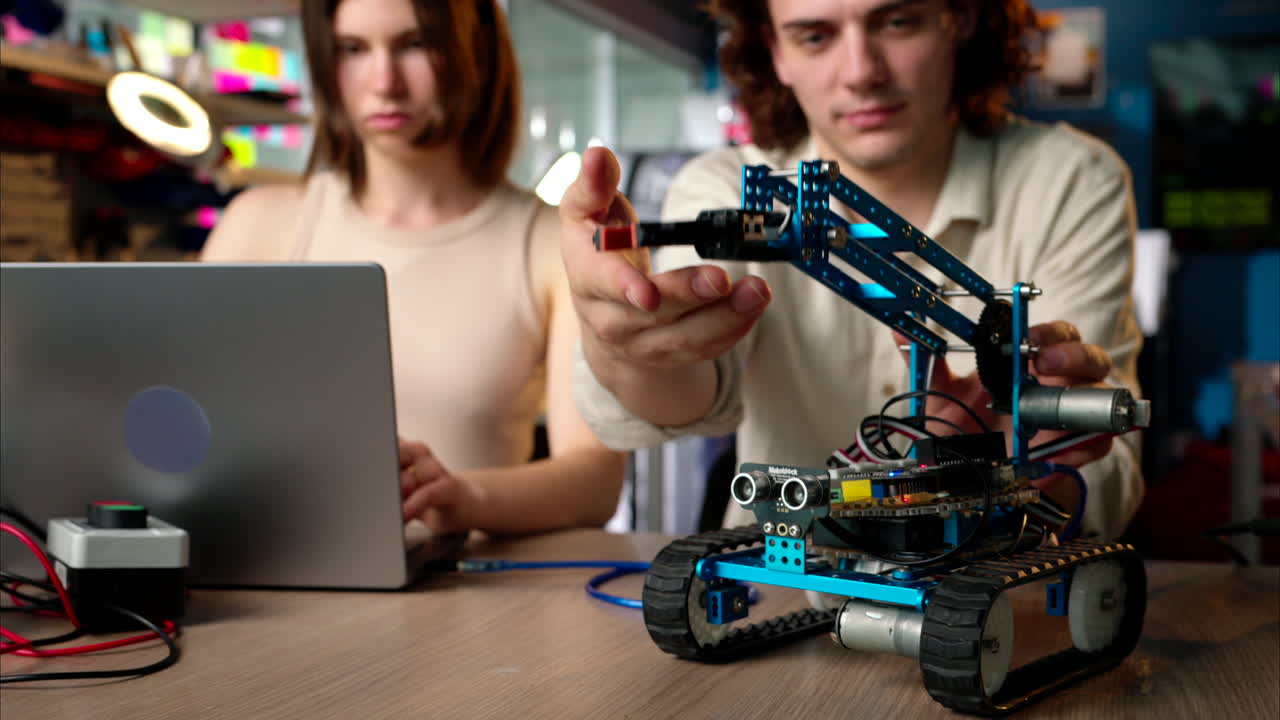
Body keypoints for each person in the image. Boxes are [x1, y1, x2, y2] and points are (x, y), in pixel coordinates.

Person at [560, 0, 1145, 539]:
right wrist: (628, 341)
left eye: (897, 21)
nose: (861, 71)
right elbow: (691, 383)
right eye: (815, 35)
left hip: (984, 594)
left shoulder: (1071, 181)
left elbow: (1107, 470)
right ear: (775, 50)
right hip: (782, 580)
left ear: (960, 18)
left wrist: (1023, 475)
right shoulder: (730, 190)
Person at [202, 0, 625, 535]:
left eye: (415, 44)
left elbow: (595, 479)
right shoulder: (255, 227)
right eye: (353, 49)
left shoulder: (548, 242)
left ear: (474, 52)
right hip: (275, 582)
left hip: (474, 598)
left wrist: (462, 497)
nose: (385, 82)